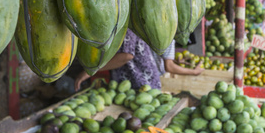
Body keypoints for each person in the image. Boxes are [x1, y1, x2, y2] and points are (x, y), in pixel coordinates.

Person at [74, 29, 204, 91]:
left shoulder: (126, 24)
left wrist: (90, 71)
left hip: (140, 83)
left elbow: (126, 55)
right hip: (132, 84)